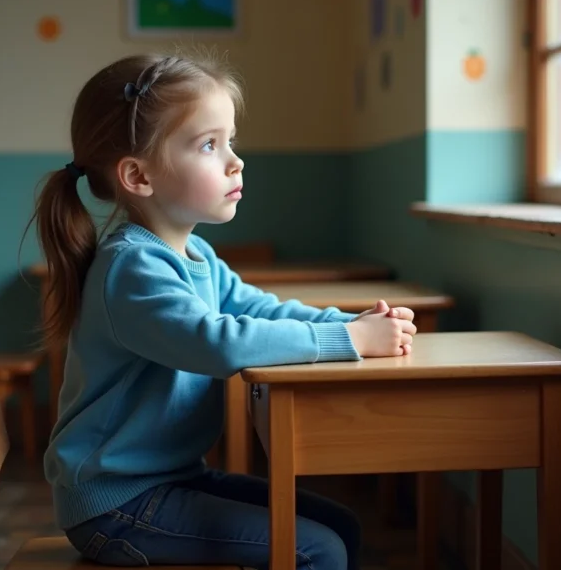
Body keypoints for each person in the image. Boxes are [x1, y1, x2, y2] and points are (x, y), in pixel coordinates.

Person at [26, 52, 418, 570]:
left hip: (172, 478)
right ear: (138, 176)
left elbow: (259, 309)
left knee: (340, 526)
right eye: (209, 145)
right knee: (317, 550)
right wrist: (351, 342)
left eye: (230, 140)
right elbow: (216, 342)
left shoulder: (195, 256)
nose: (235, 160)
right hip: (118, 504)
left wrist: (352, 325)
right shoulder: (132, 268)